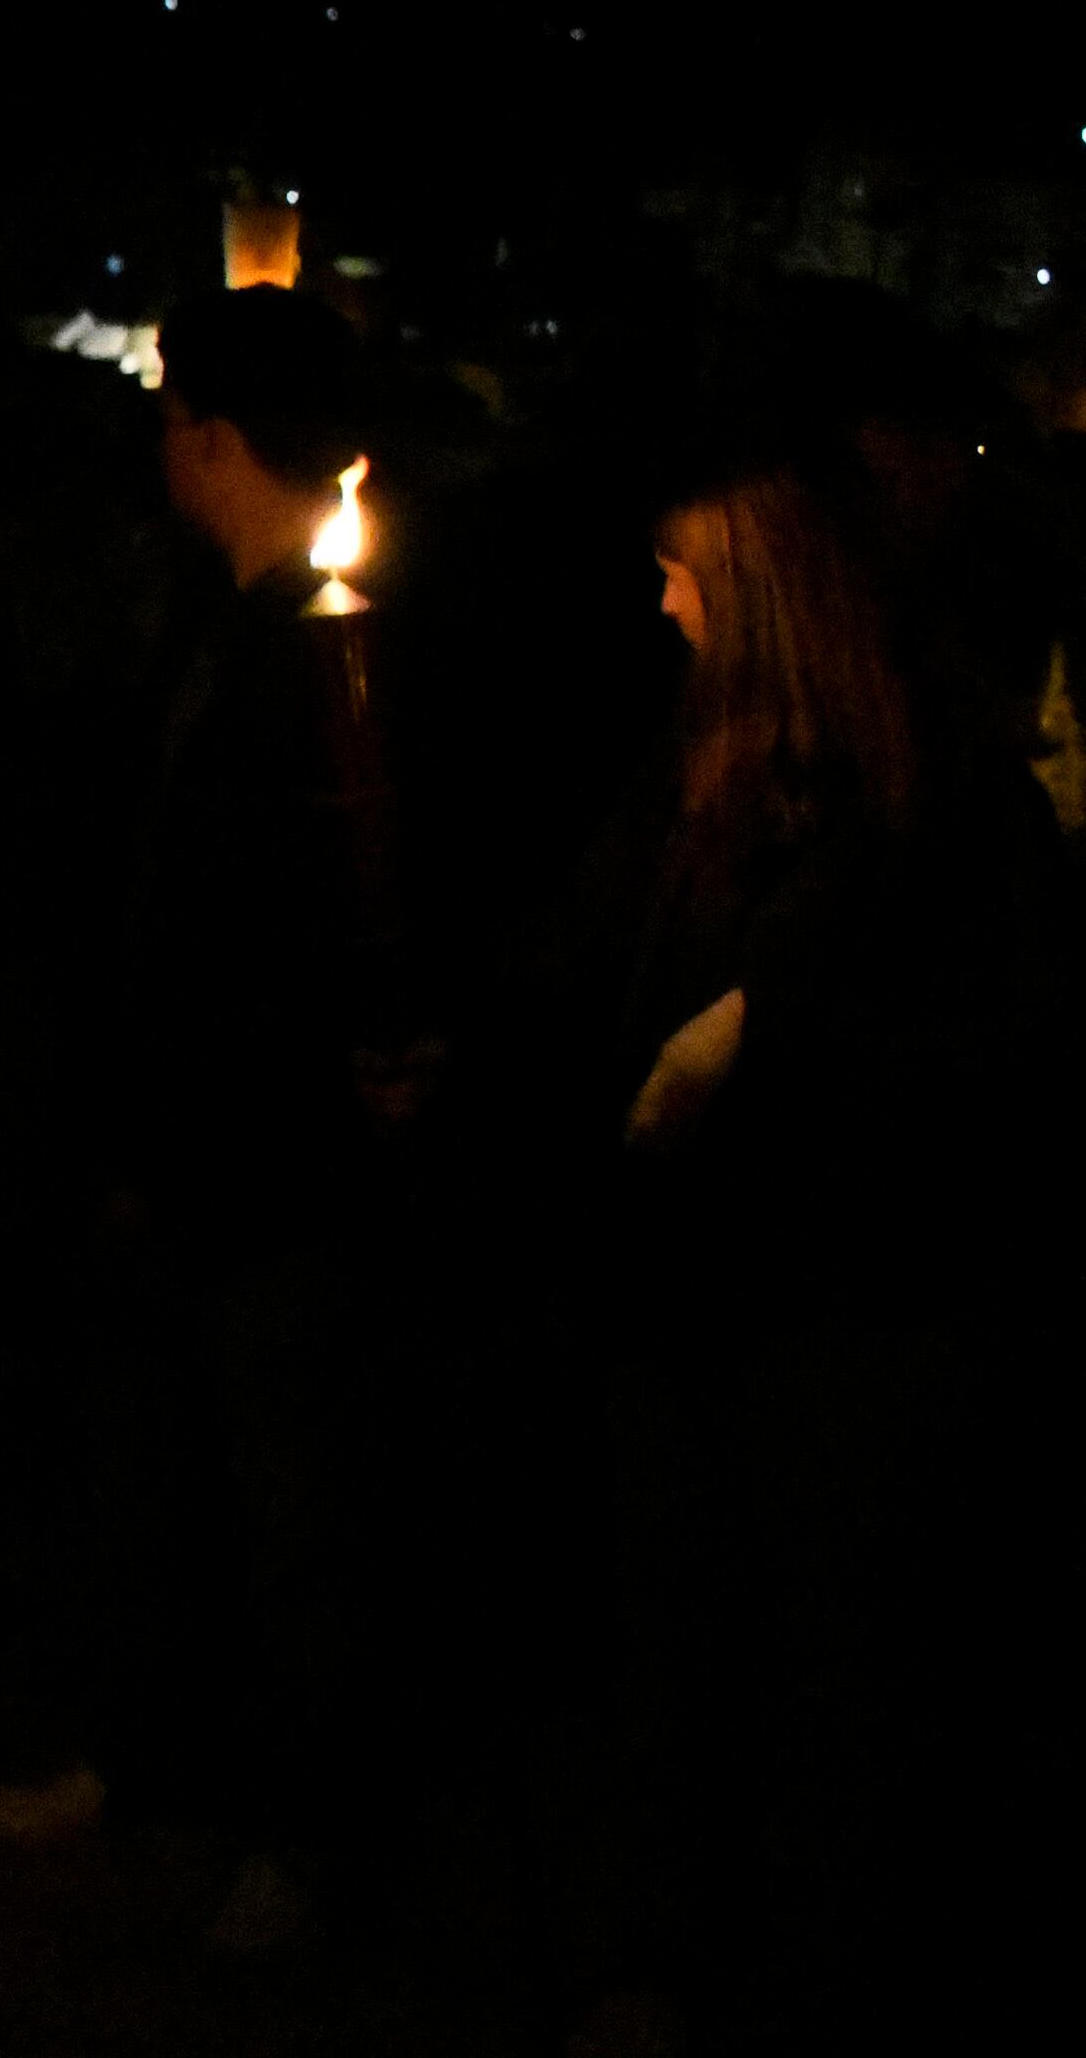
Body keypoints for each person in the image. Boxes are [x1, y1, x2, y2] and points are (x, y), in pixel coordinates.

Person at [572, 463, 1050, 2047]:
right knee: (684, 1642)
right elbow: (605, 958)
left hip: (846, 1310)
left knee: (832, 1676)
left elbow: (968, 1051)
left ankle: (816, 1977)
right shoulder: (697, 763)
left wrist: (765, 1040)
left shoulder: (929, 795)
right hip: (693, 1297)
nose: (663, 605)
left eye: (686, 574)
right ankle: (677, 1952)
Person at [54, 285, 388, 1954]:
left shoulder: (316, 651)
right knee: (173, 1473)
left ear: (210, 442)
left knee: (291, 1506)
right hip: (191, 1136)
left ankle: (305, 1836)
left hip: (266, 1154)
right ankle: (156, 1761)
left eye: (173, 421)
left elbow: (291, 927)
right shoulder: (222, 626)